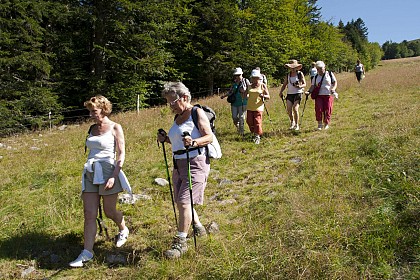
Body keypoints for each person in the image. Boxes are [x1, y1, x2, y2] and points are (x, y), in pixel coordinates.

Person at [70, 95, 131, 267]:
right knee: (89, 214)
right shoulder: (91, 128)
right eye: (90, 111)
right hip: (90, 171)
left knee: (109, 210)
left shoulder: (115, 127)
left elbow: (121, 154)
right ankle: (87, 252)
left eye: (94, 111)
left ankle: (123, 228)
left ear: (104, 110)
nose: (91, 114)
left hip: (108, 170)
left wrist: (114, 175)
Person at [157, 82, 212, 259]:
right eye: (168, 102)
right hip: (178, 164)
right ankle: (199, 229)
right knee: (181, 200)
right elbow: (179, 142)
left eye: (172, 102)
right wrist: (166, 139)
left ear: (185, 98)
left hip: (195, 161)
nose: (170, 106)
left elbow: (209, 136)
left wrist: (194, 142)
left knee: (184, 201)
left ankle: (181, 243)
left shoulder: (196, 112)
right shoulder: (178, 117)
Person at [307, 61, 338, 130]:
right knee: (319, 109)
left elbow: (335, 82)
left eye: (321, 68)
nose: (319, 70)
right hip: (319, 96)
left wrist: (333, 89)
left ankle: (326, 123)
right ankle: (320, 124)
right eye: (318, 69)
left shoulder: (329, 74)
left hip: (328, 94)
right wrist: (308, 92)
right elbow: (312, 86)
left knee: (328, 109)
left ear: (324, 68)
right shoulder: (315, 77)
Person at [279, 59, 306, 131]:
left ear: (297, 67)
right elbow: (284, 84)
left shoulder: (300, 74)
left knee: (295, 108)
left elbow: (304, 84)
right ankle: (292, 122)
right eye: (291, 68)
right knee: (289, 109)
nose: (293, 69)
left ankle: (297, 125)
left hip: (298, 93)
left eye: (294, 67)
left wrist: (300, 86)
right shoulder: (288, 75)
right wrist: (281, 92)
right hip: (289, 93)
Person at [221, 67, 250, 135]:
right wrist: (224, 96)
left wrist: (246, 93)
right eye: (236, 75)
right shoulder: (234, 83)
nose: (237, 76)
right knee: (234, 117)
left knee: (241, 117)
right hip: (234, 103)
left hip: (243, 102)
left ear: (241, 74)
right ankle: (238, 127)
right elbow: (231, 92)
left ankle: (241, 132)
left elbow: (250, 89)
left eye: (239, 75)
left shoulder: (245, 81)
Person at [246, 69, 270, 144]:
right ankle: (254, 132)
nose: (254, 79)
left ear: (258, 78)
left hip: (258, 107)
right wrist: (245, 94)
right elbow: (246, 94)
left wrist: (263, 95)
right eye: (253, 77)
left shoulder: (262, 85)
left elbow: (268, 96)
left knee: (257, 121)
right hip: (250, 106)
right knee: (249, 121)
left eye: (256, 77)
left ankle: (257, 136)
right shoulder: (249, 86)